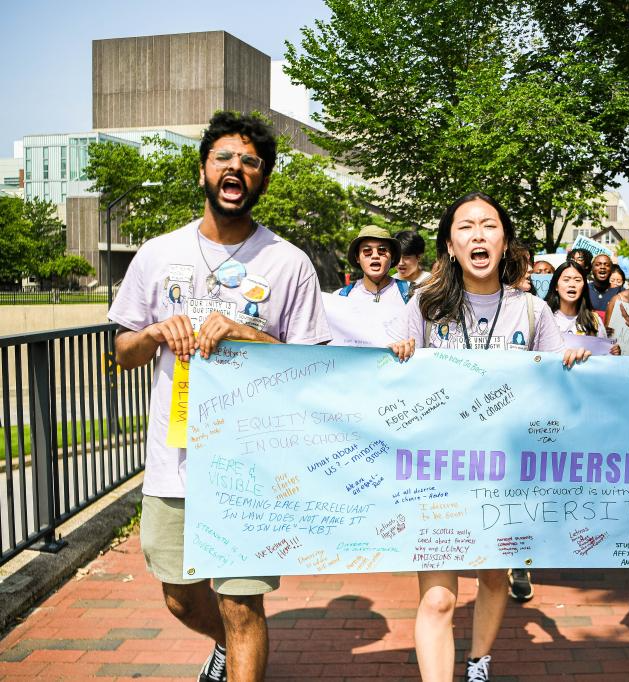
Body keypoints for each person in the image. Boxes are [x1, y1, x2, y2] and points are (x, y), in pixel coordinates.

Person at [109, 112, 330, 682]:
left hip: (250, 464)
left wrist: (250, 335)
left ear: (264, 179)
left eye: (251, 161)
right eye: (225, 158)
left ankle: (238, 646)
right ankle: (226, 646)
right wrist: (156, 333)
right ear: (205, 170)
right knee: (181, 596)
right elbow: (121, 351)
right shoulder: (158, 254)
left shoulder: (289, 262)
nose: (237, 168)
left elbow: (313, 369)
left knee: (241, 603)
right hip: (174, 462)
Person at [389, 192, 588, 682]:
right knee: (438, 597)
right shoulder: (425, 305)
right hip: (438, 475)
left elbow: (557, 389)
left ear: (505, 241)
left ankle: (478, 662)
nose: (478, 235)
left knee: (494, 575)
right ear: (450, 245)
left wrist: (572, 364)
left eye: (489, 225)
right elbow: (386, 385)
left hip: (508, 475)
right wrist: (395, 354)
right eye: (465, 227)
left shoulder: (532, 312)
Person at [323, 226, 411, 347]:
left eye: (382, 250)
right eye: (367, 251)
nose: (375, 256)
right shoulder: (339, 298)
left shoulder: (412, 295)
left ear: (393, 257)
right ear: (357, 257)